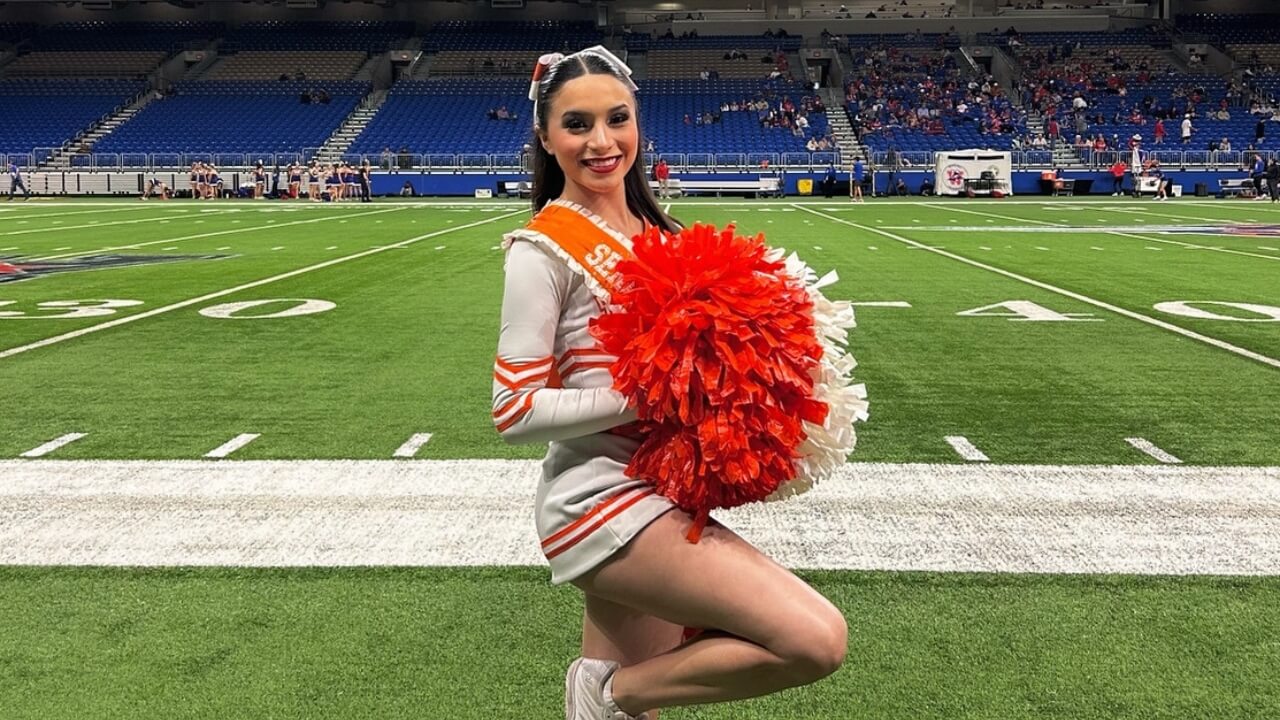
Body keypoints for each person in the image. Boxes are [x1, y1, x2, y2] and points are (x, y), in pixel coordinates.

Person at [496, 46, 847, 720]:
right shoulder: (542, 252)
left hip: (660, 490)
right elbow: (513, 409)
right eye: (576, 125)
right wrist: (647, 395)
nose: (601, 142)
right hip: (600, 505)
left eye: (616, 119)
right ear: (546, 137)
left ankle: (610, 697)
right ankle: (612, 694)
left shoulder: (659, 233)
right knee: (814, 639)